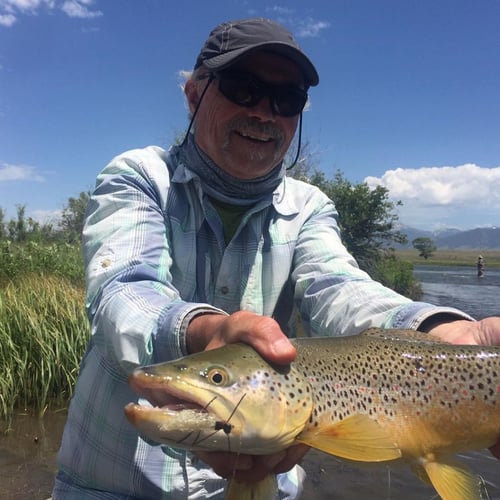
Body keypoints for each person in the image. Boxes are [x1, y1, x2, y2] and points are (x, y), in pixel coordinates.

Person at [52, 17, 500, 499]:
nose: (264, 112)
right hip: (112, 483)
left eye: (286, 100)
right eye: (243, 88)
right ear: (192, 93)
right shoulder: (139, 176)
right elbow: (123, 291)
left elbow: (340, 288)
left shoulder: (309, 207)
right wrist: (203, 331)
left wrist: (445, 334)